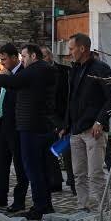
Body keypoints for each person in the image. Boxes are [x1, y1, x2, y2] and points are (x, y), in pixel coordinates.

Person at [0, 43, 56, 220]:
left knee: (33, 170)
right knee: (38, 169)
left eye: (24, 56)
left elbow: (9, 82)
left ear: (33, 56)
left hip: (30, 127)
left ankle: (40, 207)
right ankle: (44, 205)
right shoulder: (44, 70)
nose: (22, 60)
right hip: (37, 126)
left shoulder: (33, 71)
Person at [63, 33, 111, 211]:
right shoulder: (74, 69)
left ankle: (104, 212)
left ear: (82, 48)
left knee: (95, 174)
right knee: (78, 174)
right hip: (76, 130)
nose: (69, 52)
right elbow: (71, 99)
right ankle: (82, 208)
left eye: (72, 48)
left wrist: (100, 121)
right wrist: (66, 125)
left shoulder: (101, 68)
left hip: (93, 131)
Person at [0, 43, 29, 211]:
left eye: (4, 59)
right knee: (1, 164)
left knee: (19, 165)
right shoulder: (5, 74)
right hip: (2, 126)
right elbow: (0, 98)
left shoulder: (21, 74)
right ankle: (1, 196)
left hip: (16, 127)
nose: (1, 62)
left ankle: (19, 200)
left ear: (14, 57)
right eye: (0, 59)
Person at [41, 45, 74, 195]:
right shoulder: (38, 74)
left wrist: (63, 123)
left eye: (45, 56)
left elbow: (70, 96)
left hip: (65, 117)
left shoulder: (66, 71)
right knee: (51, 151)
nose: (43, 60)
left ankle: (73, 182)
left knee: (67, 152)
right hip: (47, 118)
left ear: (51, 56)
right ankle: (55, 182)